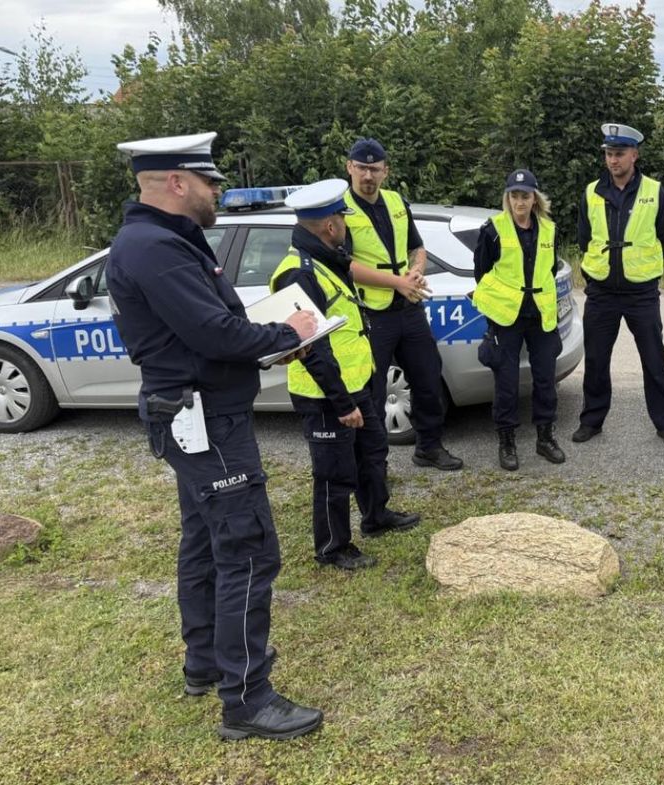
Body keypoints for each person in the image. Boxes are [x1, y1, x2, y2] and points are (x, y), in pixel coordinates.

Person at [106, 132, 323, 740]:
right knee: (249, 549)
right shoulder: (155, 248)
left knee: (204, 541)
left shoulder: (161, 239)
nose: (217, 193)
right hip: (206, 420)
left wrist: (264, 347)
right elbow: (216, 334)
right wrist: (289, 334)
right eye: (210, 183)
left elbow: (213, 328)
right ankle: (247, 698)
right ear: (177, 182)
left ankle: (203, 663)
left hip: (197, 415)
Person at [270, 179, 421, 571]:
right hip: (326, 396)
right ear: (330, 225)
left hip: (358, 384)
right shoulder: (298, 273)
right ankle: (333, 547)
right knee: (333, 472)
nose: (345, 224)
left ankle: (376, 516)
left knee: (372, 454)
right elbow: (312, 348)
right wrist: (342, 404)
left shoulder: (328, 259)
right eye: (342, 216)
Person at [343, 138, 463, 471]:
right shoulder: (339, 209)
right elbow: (347, 265)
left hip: (408, 310)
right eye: (362, 168)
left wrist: (417, 271)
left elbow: (417, 247)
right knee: (372, 394)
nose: (368, 175)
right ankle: (373, 466)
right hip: (371, 316)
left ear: (386, 171)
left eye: (375, 169)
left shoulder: (396, 201)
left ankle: (429, 448)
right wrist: (399, 282)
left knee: (427, 380)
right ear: (349, 167)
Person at [573, 123, 664, 447]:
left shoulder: (653, 191)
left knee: (652, 359)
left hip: (641, 293)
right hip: (602, 291)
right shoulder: (592, 192)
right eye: (608, 154)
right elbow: (584, 239)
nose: (612, 160)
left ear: (634, 155)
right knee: (595, 360)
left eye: (619, 154)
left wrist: (639, 259)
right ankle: (591, 421)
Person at [472, 169, 566, 470]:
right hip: (506, 317)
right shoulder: (493, 229)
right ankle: (507, 441)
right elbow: (482, 272)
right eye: (514, 196)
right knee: (507, 383)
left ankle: (545, 437)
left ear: (534, 198)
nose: (519, 202)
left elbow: (548, 268)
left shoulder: (548, 229)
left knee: (545, 380)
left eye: (525, 196)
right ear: (507, 198)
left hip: (540, 314)